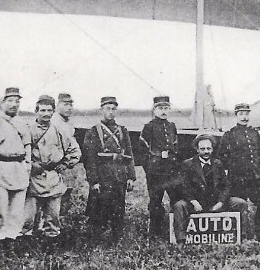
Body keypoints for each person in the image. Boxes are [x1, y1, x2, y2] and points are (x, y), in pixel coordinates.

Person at [23, 94, 82, 249]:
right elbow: (20, 152)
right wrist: (30, 165)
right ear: (36, 111)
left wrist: (64, 164)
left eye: (49, 110)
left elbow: (75, 150)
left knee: (53, 218)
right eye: (42, 110)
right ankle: (26, 250)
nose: (46, 114)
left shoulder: (59, 130)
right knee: (27, 218)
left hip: (53, 179)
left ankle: (51, 250)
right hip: (33, 179)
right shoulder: (27, 129)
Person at [171, 135, 248, 243]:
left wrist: (221, 202)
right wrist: (193, 201)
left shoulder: (218, 163)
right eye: (202, 149)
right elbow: (184, 186)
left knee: (241, 203)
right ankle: (181, 240)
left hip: (215, 202)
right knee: (179, 206)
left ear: (212, 149)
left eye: (209, 148)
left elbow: (226, 185)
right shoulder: (188, 164)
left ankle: (242, 237)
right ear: (197, 149)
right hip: (196, 203)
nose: (206, 151)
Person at [0, 86, 32, 250]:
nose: (14, 104)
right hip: (1, 167)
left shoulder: (21, 123)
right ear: (2, 103)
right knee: (0, 208)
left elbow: (27, 146)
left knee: (17, 209)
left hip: (19, 167)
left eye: (17, 101)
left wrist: (27, 166)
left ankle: (12, 240)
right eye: (10, 101)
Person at [81, 95, 135, 241]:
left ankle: (116, 239)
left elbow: (129, 154)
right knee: (99, 208)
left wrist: (131, 177)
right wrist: (94, 181)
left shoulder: (122, 130)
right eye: (108, 108)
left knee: (119, 207)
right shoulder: (92, 132)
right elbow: (89, 159)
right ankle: (96, 240)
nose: (111, 112)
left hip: (119, 175)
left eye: (113, 109)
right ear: (101, 110)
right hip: (103, 175)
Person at [217, 103, 260, 238]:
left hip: (255, 177)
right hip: (238, 178)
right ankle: (240, 233)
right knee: (239, 205)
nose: (244, 117)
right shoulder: (229, 134)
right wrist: (235, 167)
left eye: (246, 114)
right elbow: (222, 156)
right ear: (236, 115)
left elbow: (259, 152)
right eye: (241, 114)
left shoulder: (254, 133)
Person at [140, 95, 181, 240]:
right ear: (154, 109)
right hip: (155, 171)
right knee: (155, 201)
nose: (163, 111)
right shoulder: (149, 127)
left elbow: (176, 147)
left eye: (166, 108)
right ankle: (155, 233)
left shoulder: (172, 126)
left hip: (171, 170)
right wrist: (150, 167)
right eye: (160, 108)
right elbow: (142, 150)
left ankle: (175, 231)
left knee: (176, 199)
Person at [53, 92, 90, 206]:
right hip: (57, 166)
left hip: (68, 166)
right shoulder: (54, 122)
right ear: (57, 105)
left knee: (66, 194)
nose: (69, 108)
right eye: (65, 104)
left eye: (70, 105)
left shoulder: (68, 123)